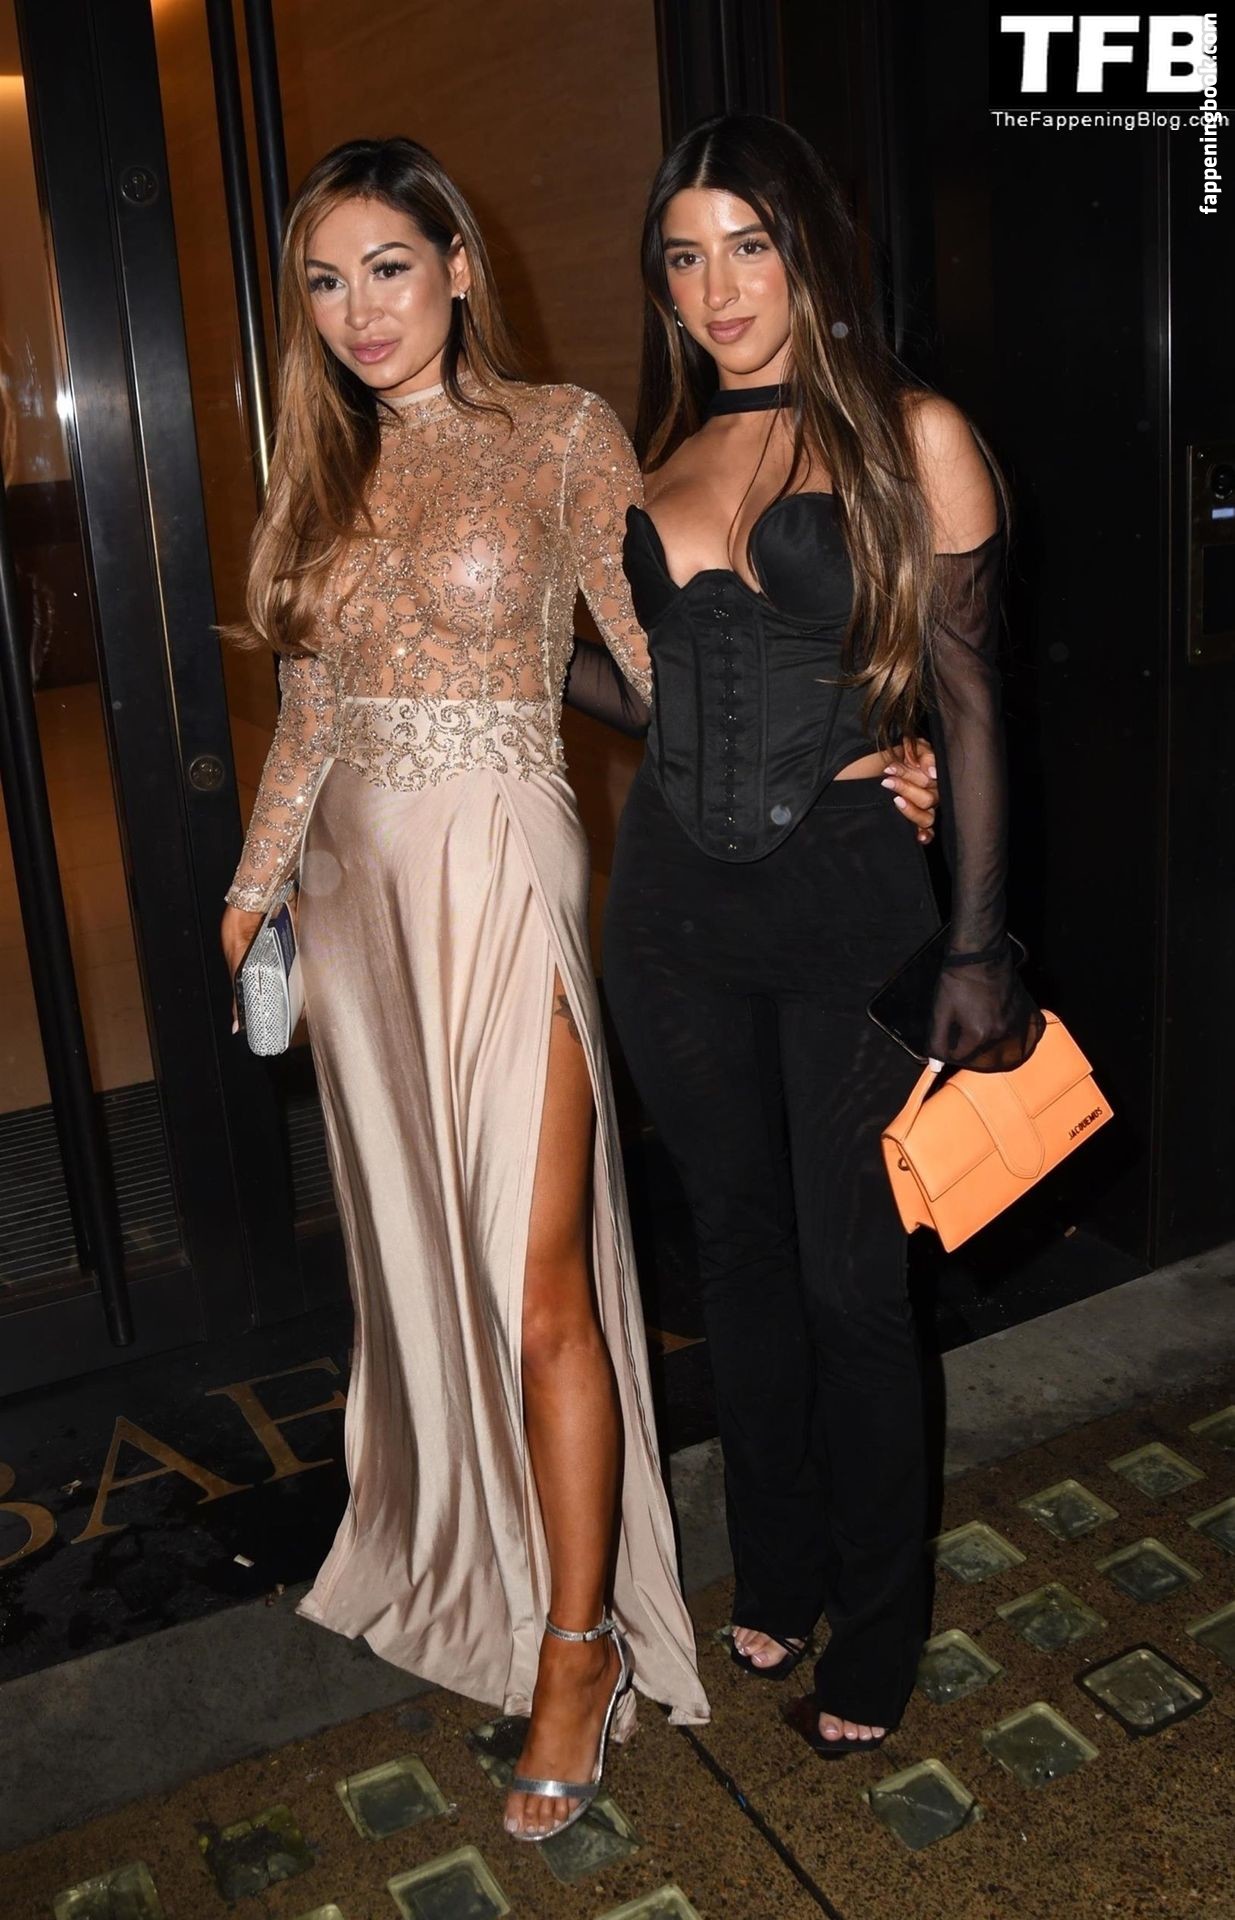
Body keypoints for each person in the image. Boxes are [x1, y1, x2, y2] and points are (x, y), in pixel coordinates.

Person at [218, 136, 709, 1844]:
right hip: (355, 901)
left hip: (501, 866)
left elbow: (655, 655)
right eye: (326, 282)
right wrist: (252, 887)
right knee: (422, 1255)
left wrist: (837, 765)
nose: (360, 312)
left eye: (389, 268)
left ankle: (580, 1645)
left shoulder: (562, 433)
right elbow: (309, 717)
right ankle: (484, 1560)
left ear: (459, 267)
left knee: (538, 1279)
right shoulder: (319, 467)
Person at [599, 114, 1044, 1757]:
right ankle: (775, 1571)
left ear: (810, 249)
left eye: (750, 245)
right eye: (685, 256)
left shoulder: (913, 433)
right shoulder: (654, 462)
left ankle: (884, 1619)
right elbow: (644, 693)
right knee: (738, 1259)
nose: (718, 288)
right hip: (670, 914)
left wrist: (976, 949)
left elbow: (974, 702)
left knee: (858, 1287)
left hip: (853, 898)